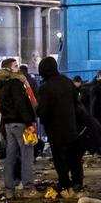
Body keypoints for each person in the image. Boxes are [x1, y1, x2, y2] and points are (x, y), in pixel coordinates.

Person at [36, 56, 85, 194]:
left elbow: (44, 110)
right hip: (70, 125)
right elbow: (77, 103)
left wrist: (38, 112)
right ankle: (77, 181)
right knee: (74, 156)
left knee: (59, 157)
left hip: (55, 128)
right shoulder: (67, 82)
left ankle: (64, 182)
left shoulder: (45, 88)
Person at [0, 59, 37, 195]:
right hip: (20, 123)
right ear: (9, 69)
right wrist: (29, 122)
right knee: (27, 155)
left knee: (10, 156)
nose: (18, 68)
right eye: (15, 66)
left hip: (9, 124)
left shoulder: (1, 85)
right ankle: (28, 187)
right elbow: (21, 104)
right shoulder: (15, 84)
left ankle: (9, 189)